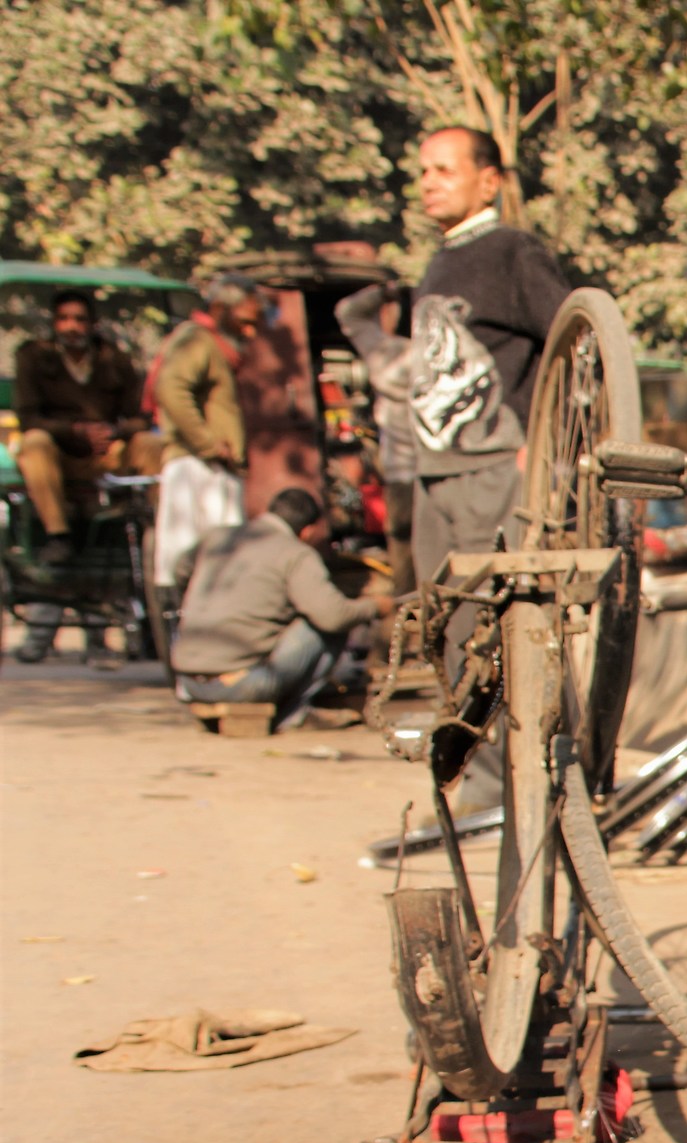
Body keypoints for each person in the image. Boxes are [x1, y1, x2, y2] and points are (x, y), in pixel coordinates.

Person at [408, 126, 569, 594]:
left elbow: (573, 343)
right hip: (435, 469)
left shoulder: (512, 252)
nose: (428, 183)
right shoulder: (439, 261)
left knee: (496, 606)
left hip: (494, 466)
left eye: (444, 170)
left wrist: (544, 443)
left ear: (488, 182)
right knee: (441, 612)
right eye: (423, 172)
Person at [10, 289, 167, 662]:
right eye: (65, 319)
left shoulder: (116, 359)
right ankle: (58, 534)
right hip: (60, 455)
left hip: (109, 453)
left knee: (150, 444)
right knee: (33, 443)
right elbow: (28, 417)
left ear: (92, 324)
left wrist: (114, 431)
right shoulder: (34, 358)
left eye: (80, 319)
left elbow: (141, 417)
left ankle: (159, 527)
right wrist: (75, 431)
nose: (72, 327)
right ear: (54, 322)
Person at [172, 486, 393, 728]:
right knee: (329, 623)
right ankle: (292, 713)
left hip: (187, 682)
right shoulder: (295, 553)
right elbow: (334, 616)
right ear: (307, 531)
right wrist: (374, 606)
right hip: (242, 685)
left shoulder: (218, 536)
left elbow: (180, 570)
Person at [148, 273, 263, 605]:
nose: (250, 332)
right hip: (197, 466)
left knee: (224, 568)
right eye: (244, 322)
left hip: (212, 467)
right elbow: (170, 388)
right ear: (219, 310)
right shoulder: (198, 339)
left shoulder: (215, 346)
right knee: (204, 568)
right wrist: (207, 443)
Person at [333, 281, 417, 590]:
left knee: (402, 547)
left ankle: (408, 606)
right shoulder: (439, 357)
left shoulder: (386, 354)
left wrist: (385, 292)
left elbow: (349, 312)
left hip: (401, 470)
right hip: (443, 470)